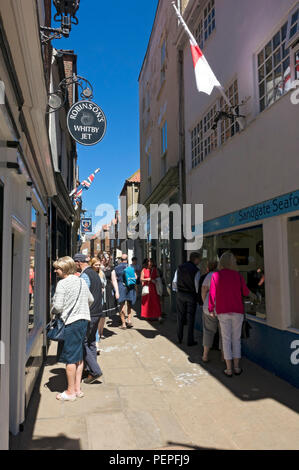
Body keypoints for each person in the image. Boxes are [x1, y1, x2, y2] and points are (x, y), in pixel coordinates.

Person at [52, 257, 93, 401]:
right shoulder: (81, 281)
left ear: (65, 268)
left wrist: (53, 310)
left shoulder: (62, 284)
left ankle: (70, 393)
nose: (55, 271)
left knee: (70, 358)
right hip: (83, 322)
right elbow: (91, 299)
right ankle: (77, 389)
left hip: (71, 323)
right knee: (79, 357)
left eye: (57, 268)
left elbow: (57, 307)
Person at [208, 251, 255, 377]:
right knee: (236, 339)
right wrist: (253, 295)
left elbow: (212, 294)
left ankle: (228, 369)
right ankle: (237, 367)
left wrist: (211, 308)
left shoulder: (216, 275)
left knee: (226, 339)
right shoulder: (238, 276)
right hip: (237, 311)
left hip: (222, 311)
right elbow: (245, 292)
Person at [74, 253, 103, 384]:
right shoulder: (95, 273)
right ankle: (90, 371)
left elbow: (83, 295)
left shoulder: (85, 275)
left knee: (83, 342)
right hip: (97, 312)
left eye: (75, 263)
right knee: (91, 341)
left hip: (89, 313)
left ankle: (95, 370)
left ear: (78, 262)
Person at [176, 252, 201, 347]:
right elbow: (197, 285)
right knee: (191, 318)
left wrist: (178, 291)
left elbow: (175, 281)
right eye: (199, 259)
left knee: (180, 316)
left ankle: (179, 337)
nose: (200, 261)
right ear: (195, 259)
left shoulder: (180, 267)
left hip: (180, 294)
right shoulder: (196, 270)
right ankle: (189, 340)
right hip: (190, 295)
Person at [201, 260, 221, 363]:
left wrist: (205, 302)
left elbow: (204, 289)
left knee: (208, 331)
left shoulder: (210, 275)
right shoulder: (223, 275)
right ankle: (223, 356)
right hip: (223, 307)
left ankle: (205, 355)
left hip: (210, 307)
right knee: (223, 333)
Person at [115, 254, 137, 329]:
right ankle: (129, 320)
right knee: (129, 304)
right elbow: (136, 277)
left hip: (121, 286)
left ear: (120, 260)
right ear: (127, 259)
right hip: (130, 287)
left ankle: (123, 324)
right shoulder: (131, 267)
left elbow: (115, 278)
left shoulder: (117, 268)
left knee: (122, 305)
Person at [90, 258, 107, 352]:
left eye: (99, 265)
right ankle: (96, 343)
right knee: (94, 321)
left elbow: (105, 283)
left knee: (99, 319)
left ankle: (98, 336)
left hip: (100, 299)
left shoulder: (101, 273)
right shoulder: (89, 274)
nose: (98, 267)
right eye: (96, 265)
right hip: (92, 300)